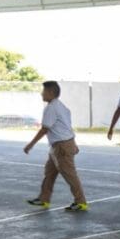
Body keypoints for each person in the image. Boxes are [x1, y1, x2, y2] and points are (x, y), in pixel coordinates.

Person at [24, 81, 88, 211]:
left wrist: (30, 145)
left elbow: (44, 129)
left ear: (51, 92)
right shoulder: (61, 106)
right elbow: (67, 126)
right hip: (59, 146)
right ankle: (44, 199)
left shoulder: (51, 108)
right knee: (49, 172)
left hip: (62, 147)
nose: (42, 93)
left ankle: (81, 202)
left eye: (44, 91)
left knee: (70, 174)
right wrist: (73, 143)